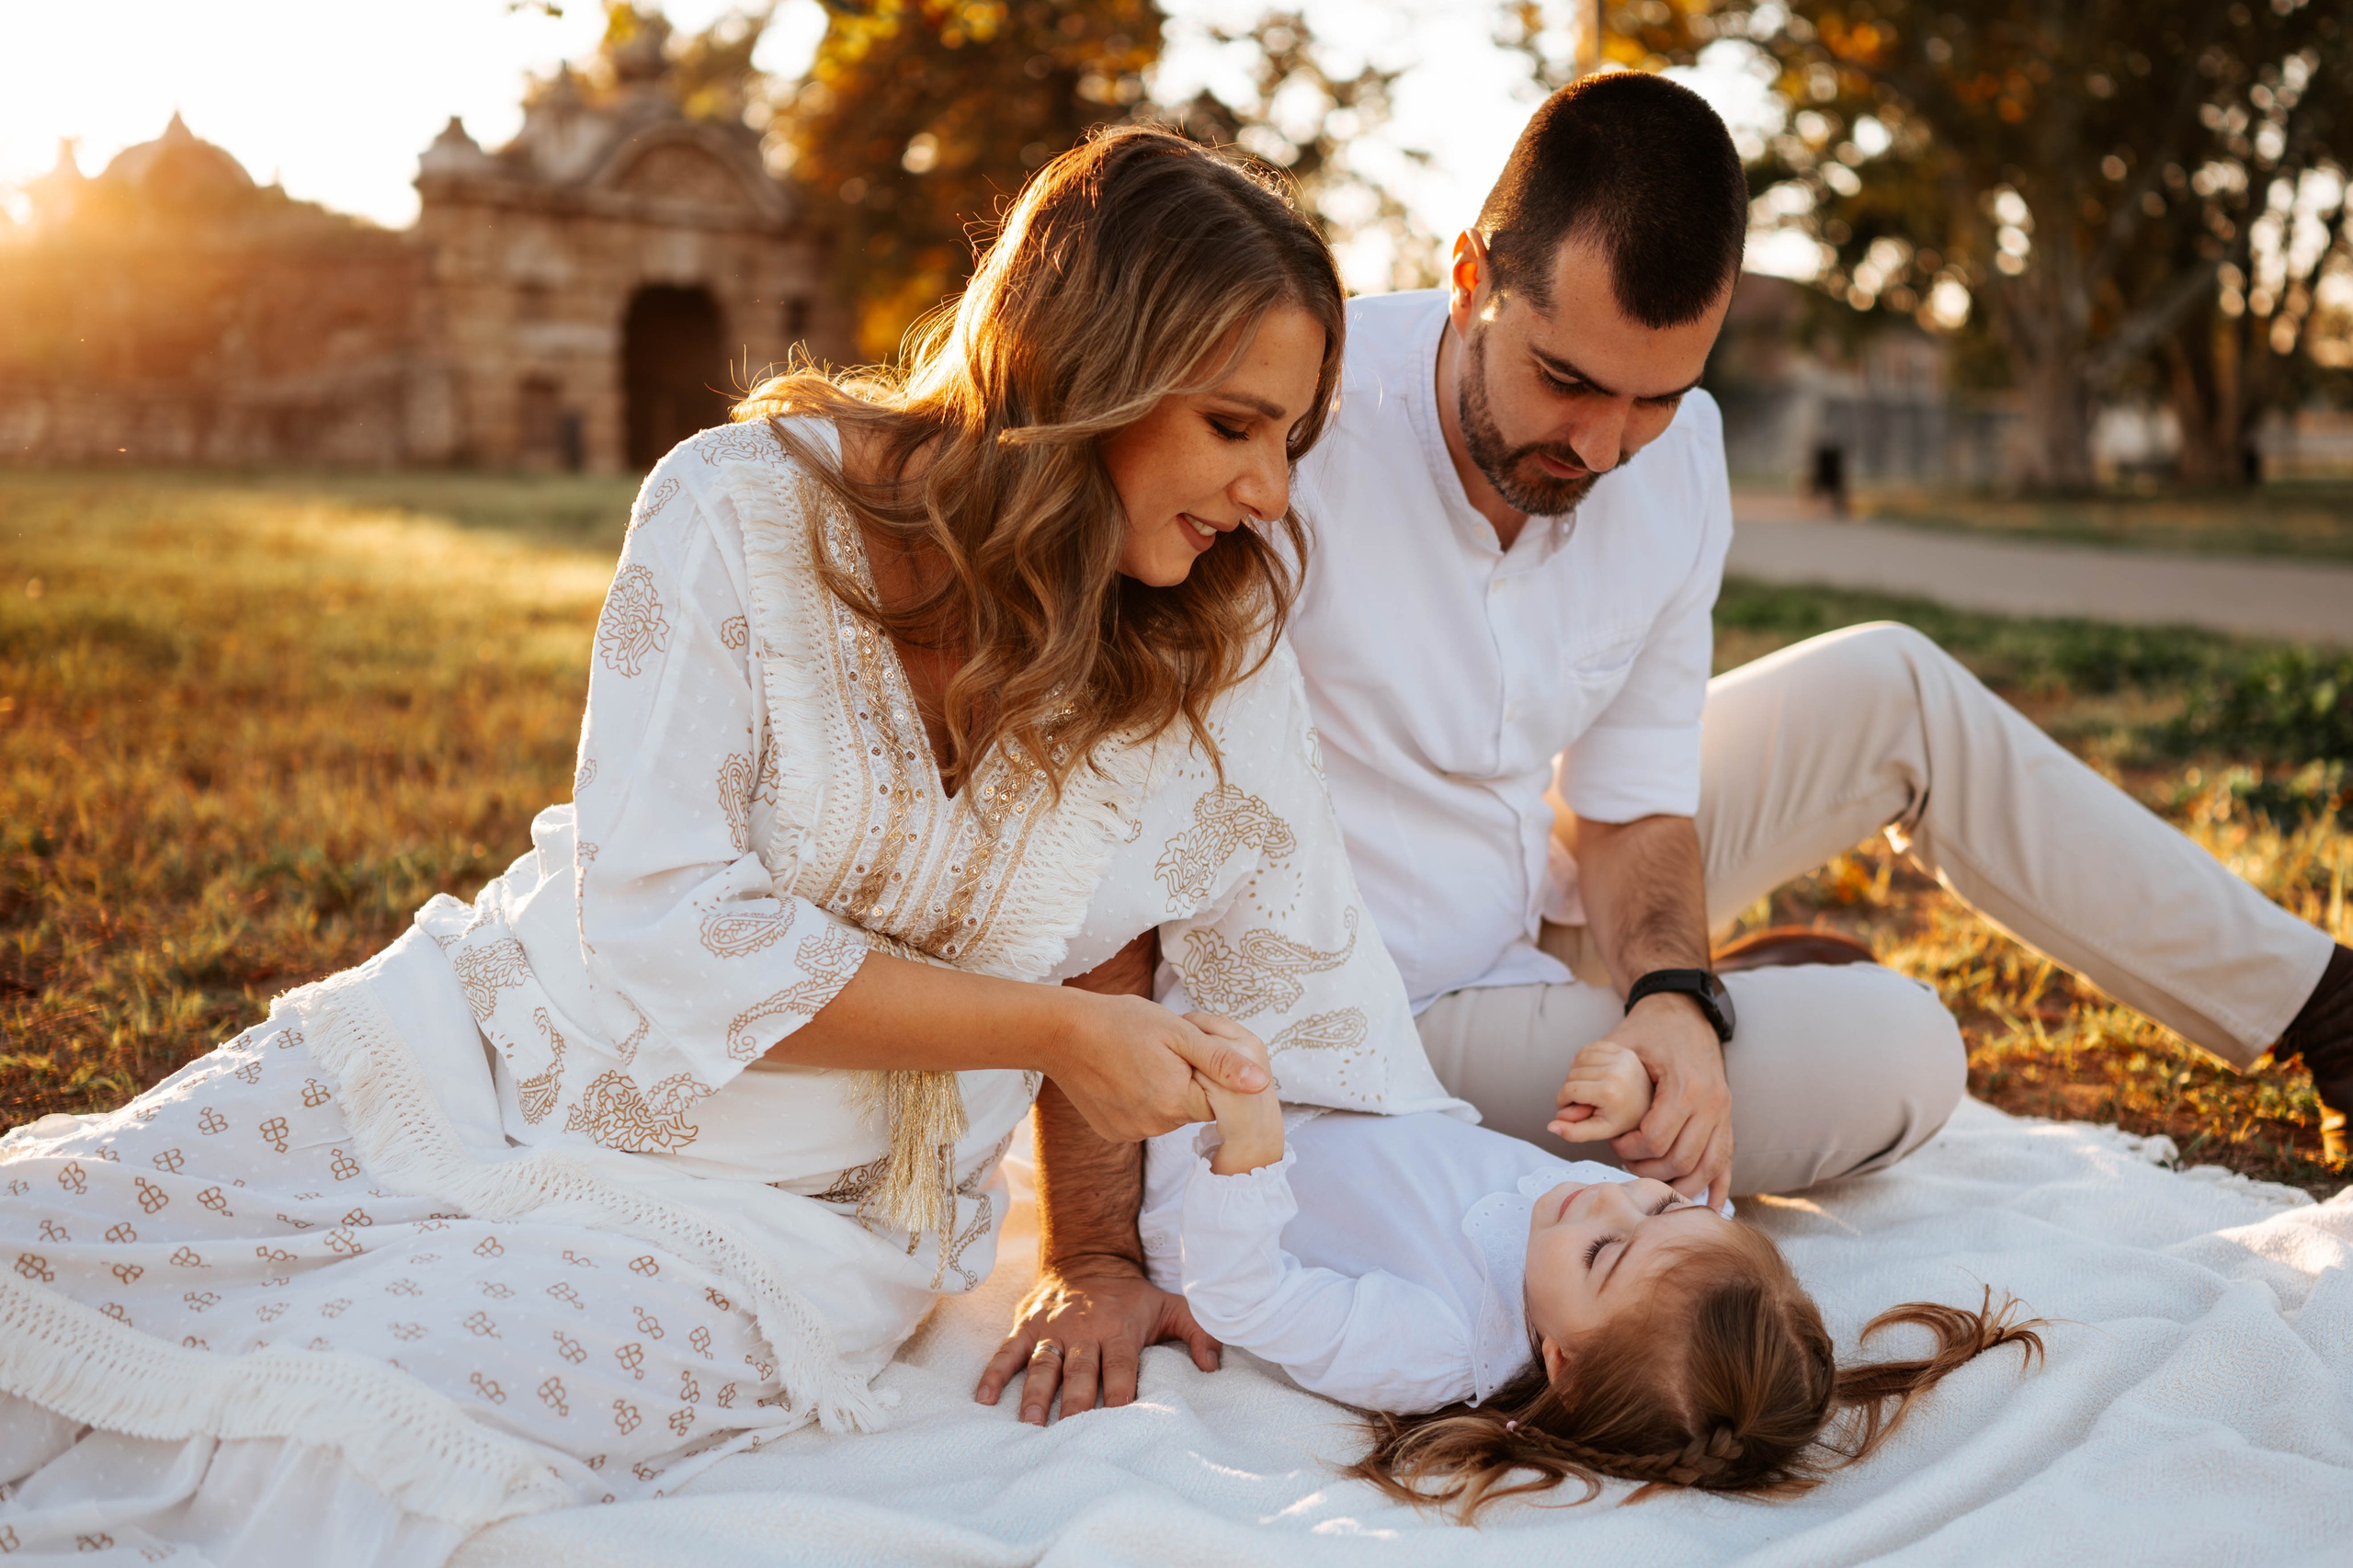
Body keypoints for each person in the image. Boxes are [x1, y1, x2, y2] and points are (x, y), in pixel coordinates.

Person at [0, 128, 1472, 1562]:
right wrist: (1054, 1031)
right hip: (483, 1050)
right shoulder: (740, 506)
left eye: (1293, 438)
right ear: (1087, 367)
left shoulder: (1189, 631)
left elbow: (1120, 926)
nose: (1272, 492)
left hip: (778, 1229)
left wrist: (1092, 1254)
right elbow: (662, 917)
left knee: (339, 1456)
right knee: (38, 1253)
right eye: (1233, 425)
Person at [983, 69, 2352, 1418]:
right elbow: (1113, 824)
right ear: (1471, 275)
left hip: (1538, 906)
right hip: (1375, 1033)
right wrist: (1093, 1248)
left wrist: (1672, 1001)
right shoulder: (1288, 428)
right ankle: (1746, 1001)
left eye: (1655, 395)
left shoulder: (1670, 456)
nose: (1602, 442)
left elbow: (1635, 801)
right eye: (1566, 379)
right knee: (1905, 1051)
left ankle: (2328, 1011)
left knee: (1892, 682)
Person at [1142, 1015, 2044, 1517]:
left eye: (1608, 1249)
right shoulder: (1638, 1259)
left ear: (1564, 1360)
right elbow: (1699, 1214)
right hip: (1318, 1067)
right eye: (1656, 1206)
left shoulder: (1436, 1343)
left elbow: (1242, 1296)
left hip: (1185, 1134)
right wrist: (1633, 1092)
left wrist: (1248, 1146)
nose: (1607, 1197)